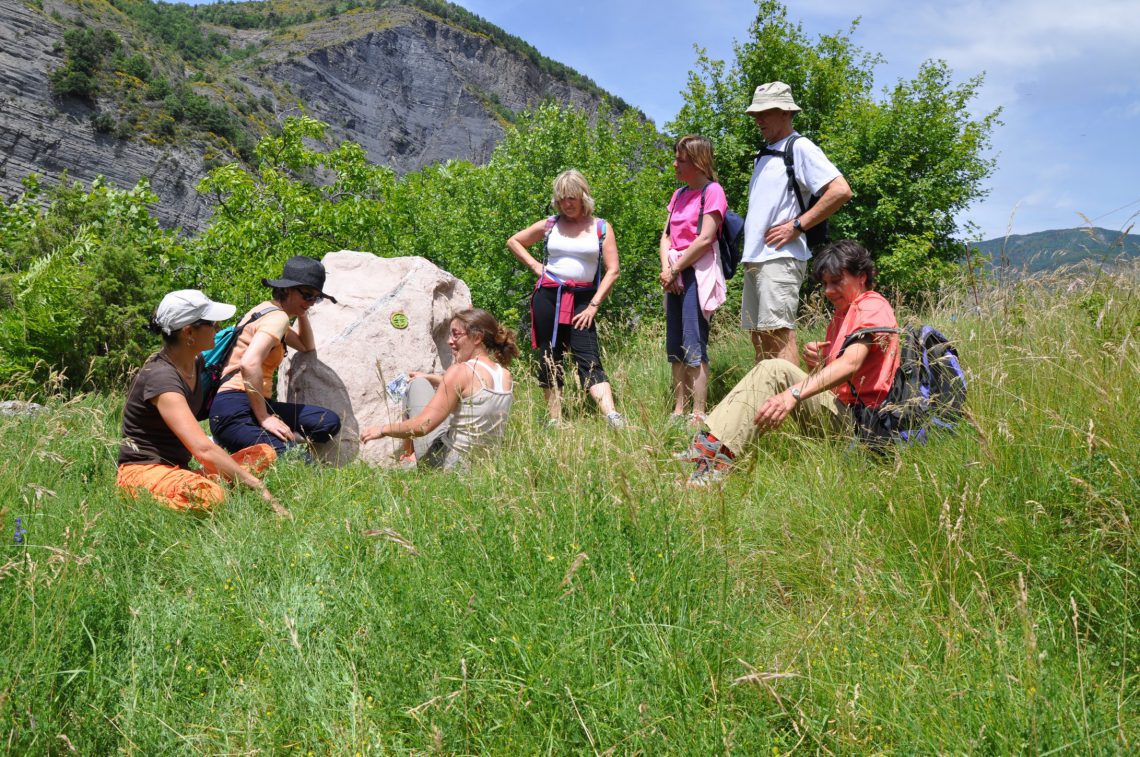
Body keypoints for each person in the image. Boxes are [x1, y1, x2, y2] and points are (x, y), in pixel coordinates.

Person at [681, 241, 899, 486]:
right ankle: (709, 450)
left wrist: (791, 394)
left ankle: (713, 460)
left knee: (773, 369)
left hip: (859, 426)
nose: (828, 290)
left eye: (837, 281)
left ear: (862, 277)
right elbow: (841, 380)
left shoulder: (872, 304)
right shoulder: (843, 312)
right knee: (772, 369)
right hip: (841, 413)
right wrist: (818, 364)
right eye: (825, 283)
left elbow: (851, 364)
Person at [116, 290, 288, 516]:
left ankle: (202, 484)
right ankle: (169, 495)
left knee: (265, 452)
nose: (218, 328)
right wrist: (259, 487)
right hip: (143, 472)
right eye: (212, 323)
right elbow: (202, 448)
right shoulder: (161, 378)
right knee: (211, 497)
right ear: (189, 332)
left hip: (180, 469)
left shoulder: (196, 363)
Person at [741, 81, 852, 363]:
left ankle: (792, 405)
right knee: (760, 336)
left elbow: (840, 190)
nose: (758, 119)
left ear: (786, 112)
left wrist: (796, 226)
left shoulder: (799, 147)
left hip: (779, 257)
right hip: (757, 258)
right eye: (756, 114)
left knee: (779, 334)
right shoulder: (764, 155)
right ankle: (769, 402)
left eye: (765, 112)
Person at [506, 169, 625, 427]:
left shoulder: (601, 227)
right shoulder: (550, 224)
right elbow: (514, 241)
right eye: (561, 199)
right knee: (550, 355)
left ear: (583, 196)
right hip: (548, 296)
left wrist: (594, 306)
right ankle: (554, 419)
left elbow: (613, 270)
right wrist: (536, 266)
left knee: (588, 354)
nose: (566, 204)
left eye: (571, 198)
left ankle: (612, 415)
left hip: (583, 299)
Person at [209, 256, 342, 458]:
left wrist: (302, 310)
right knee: (297, 462)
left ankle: (261, 439)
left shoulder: (268, 311)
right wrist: (264, 418)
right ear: (287, 289)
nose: (312, 303)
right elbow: (249, 363)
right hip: (236, 408)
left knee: (327, 421)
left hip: (252, 403)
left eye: (316, 298)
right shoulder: (277, 318)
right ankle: (238, 442)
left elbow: (306, 346)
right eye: (307, 295)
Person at [360, 308, 517, 469]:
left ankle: (409, 458)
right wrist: (431, 377)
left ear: (477, 337)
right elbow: (474, 392)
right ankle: (411, 459)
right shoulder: (504, 375)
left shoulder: (460, 371)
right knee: (423, 382)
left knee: (416, 384)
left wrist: (382, 430)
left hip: (450, 463)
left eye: (455, 334)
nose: (449, 341)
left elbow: (422, 426)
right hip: (484, 466)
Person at [659, 135, 727, 425]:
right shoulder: (678, 194)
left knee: (694, 342)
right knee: (675, 345)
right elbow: (665, 236)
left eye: (681, 160)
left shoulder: (713, 192)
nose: (675, 165)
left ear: (699, 162)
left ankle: (698, 412)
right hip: (673, 272)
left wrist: (675, 270)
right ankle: (679, 409)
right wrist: (667, 268)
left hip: (696, 273)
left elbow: (706, 238)